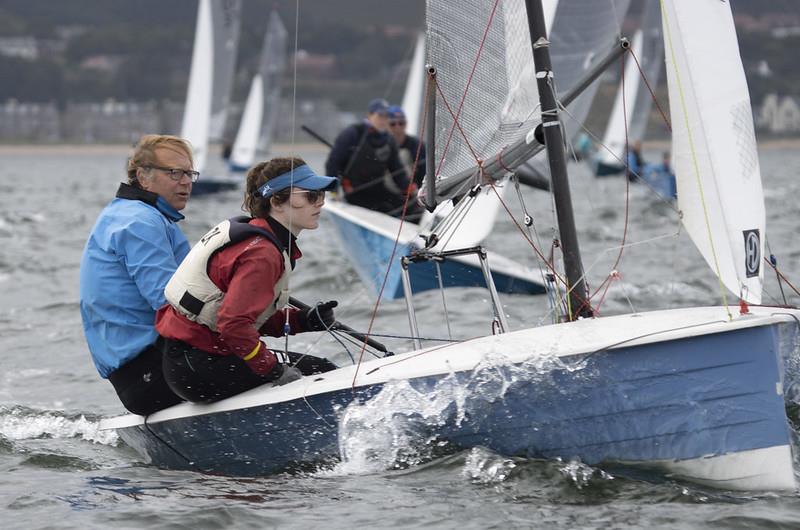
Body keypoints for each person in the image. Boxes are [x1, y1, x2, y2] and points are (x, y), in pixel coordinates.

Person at [155, 158, 339, 403]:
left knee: (315, 367)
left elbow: (245, 316)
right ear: (276, 202)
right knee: (322, 372)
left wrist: (301, 320)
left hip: (188, 361)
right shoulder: (262, 253)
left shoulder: (263, 240)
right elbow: (233, 325)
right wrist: (273, 370)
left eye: (322, 194)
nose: (321, 202)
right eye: (311, 195)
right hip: (200, 367)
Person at [79, 134, 197, 415]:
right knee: (306, 368)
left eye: (190, 173)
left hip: (144, 372)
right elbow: (170, 302)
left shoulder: (133, 213)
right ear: (143, 177)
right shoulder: (139, 222)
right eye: (175, 172)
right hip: (149, 375)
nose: (186, 181)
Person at [324, 98, 416, 217]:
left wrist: (409, 188)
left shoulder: (389, 139)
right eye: (380, 116)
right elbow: (333, 162)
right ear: (370, 115)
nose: (383, 120)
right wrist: (333, 190)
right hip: (353, 191)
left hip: (378, 190)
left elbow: (397, 171)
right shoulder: (352, 133)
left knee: (409, 207)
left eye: (386, 116)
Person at [387, 105, 426, 187]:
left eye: (401, 123)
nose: (397, 127)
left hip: (412, 190)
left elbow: (424, 172)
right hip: (387, 190)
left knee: (403, 155)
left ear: (406, 124)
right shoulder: (382, 145)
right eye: (392, 124)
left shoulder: (417, 145)